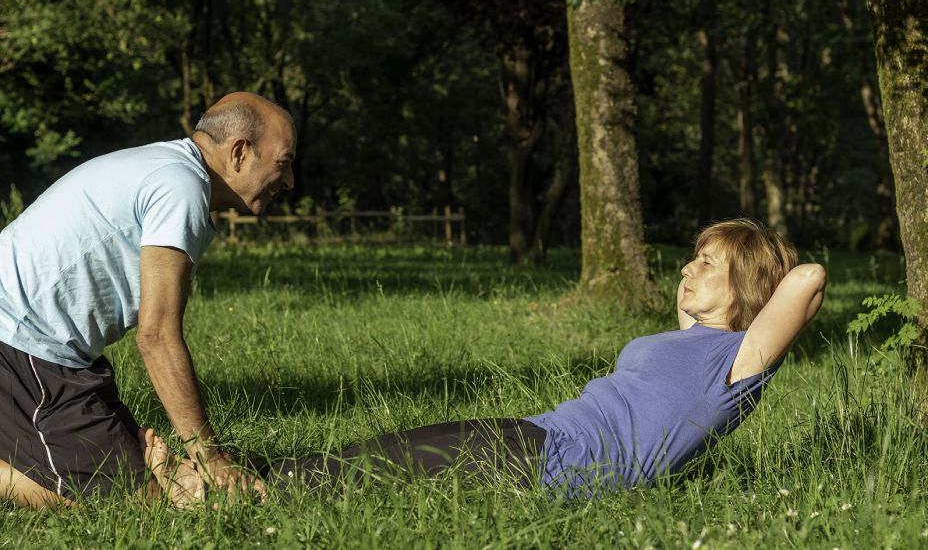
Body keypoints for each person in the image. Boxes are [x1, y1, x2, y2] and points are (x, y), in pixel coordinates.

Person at [141, 218, 826, 504]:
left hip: (558, 465)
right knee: (385, 449)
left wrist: (757, 283)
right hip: (536, 435)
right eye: (691, 256)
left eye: (707, 263)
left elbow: (806, 280)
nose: (688, 267)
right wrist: (701, 288)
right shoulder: (690, 342)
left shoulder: (736, 366)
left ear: (745, 287)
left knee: (389, 466)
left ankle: (223, 497)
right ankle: (234, 488)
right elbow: (682, 334)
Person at [0, 92, 297, 508]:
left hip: (56, 350)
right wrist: (211, 458)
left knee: (140, 469)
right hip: (20, 340)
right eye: (283, 163)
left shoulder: (170, 169)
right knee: (136, 498)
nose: (289, 181)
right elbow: (156, 336)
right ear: (239, 153)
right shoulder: (181, 187)